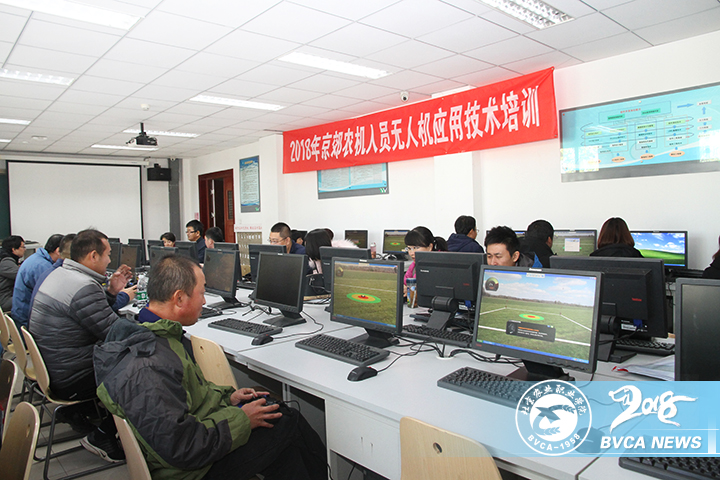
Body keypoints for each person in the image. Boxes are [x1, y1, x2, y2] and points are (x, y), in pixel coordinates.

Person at [93, 255, 327, 480]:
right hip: (191, 471)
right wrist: (243, 419)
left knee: (285, 450)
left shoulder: (156, 338)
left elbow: (187, 397)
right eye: (202, 293)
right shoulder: (149, 364)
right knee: (287, 420)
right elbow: (182, 447)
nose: (204, 302)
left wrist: (228, 398)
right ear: (179, 298)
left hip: (191, 449)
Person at [30, 229, 133, 461]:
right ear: (93, 256)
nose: (110, 260)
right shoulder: (82, 286)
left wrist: (111, 292)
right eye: (107, 254)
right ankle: (103, 435)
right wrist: (154, 322)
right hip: (69, 376)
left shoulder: (62, 274)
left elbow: (92, 317)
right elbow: (114, 333)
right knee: (138, 369)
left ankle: (84, 411)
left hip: (55, 365)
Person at [11, 234, 63, 329]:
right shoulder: (42, 266)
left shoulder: (37, 258)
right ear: (58, 251)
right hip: (26, 318)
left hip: (21, 312)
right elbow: (52, 298)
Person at [0, 235, 26, 312]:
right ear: (14, 249)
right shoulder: (6, 262)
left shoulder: (6, 260)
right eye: (23, 247)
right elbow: (24, 276)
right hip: (4, 300)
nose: (25, 250)